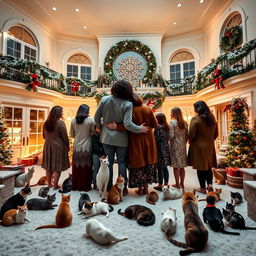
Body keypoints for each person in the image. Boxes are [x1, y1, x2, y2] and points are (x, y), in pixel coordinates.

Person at [94, 80, 148, 195]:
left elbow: (96, 117)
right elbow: (128, 124)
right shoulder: (128, 104)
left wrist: (100, 127)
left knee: (108, 162)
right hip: (122, 139)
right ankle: (122, 188)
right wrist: (140, 129)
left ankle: (108, 186)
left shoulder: (104, 99)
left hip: (106, 137)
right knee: (122, 162)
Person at [125, 93, 158, 195]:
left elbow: (127, 126)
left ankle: (139, 189)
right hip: (148, 139)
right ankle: (146, 188)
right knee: (148, 161)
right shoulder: (147, 109)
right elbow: (155, 124)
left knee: (138, 162)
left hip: (136, 140)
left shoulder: (130, 111)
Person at [188, 100, 218, 194]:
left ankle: (202, 188)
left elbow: (191, 135)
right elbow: (216, 134)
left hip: (198, 147)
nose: (194, 110)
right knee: (208, 167)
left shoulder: (195, 119)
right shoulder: (212, 118)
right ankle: (209, 185)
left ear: (198, 109)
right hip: (209, 146)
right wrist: (208, 140)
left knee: (200, 168)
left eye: (195, 108)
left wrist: (190, 140)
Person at [42, 106, 70, 189]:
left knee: (48, 166)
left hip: (47, 146)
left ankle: (49, 184)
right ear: (58, 113)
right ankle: (55, 186)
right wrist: (67, 145)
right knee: (57, 167)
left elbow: (44, 136)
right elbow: (65, 136)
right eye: (62, 112)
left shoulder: (46, 123)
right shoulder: (61, 123)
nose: (62, 113)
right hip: (58, 147)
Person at [70, 104, 95, 191]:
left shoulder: (73, 120)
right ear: (87, 111)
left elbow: (72, 135)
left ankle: (76, 186)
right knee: (86, 167)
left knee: (77, 167)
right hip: (87, 146)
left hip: (77, 146)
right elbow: (94, 132)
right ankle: (85, 186)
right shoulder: (91, 120)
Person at [169, 107, 188, 189]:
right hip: (183, 146)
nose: (170, 114)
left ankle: (177, 184)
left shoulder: (172, 122)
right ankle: (182, 184)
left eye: (171, 112)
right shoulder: (185, 123)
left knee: (176, 166)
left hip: (175, 146)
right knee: (182, 166)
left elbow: (171, 135)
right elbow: (187, 135)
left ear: (174, 113)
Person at [153, 113, 171, 191]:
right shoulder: (167, 127)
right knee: (165, 167)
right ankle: (166, 184)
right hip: (166, 148)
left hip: (159, 149)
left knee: (159, 167)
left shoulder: (158, 127)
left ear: (158, 119)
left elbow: (156, 139)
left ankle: (160, 185)